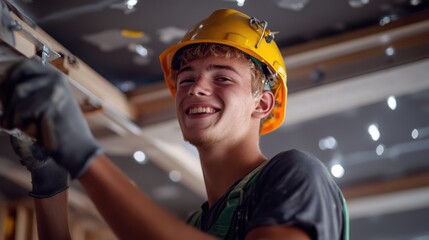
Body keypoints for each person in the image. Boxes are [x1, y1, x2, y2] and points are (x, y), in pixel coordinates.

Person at [0, 8, 349, 240]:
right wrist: (51, 180)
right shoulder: (197, 225)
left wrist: (83, 155)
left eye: (223, 78)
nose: (196, 87)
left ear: (262, 103)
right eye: (186, 80)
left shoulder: (297, 175)